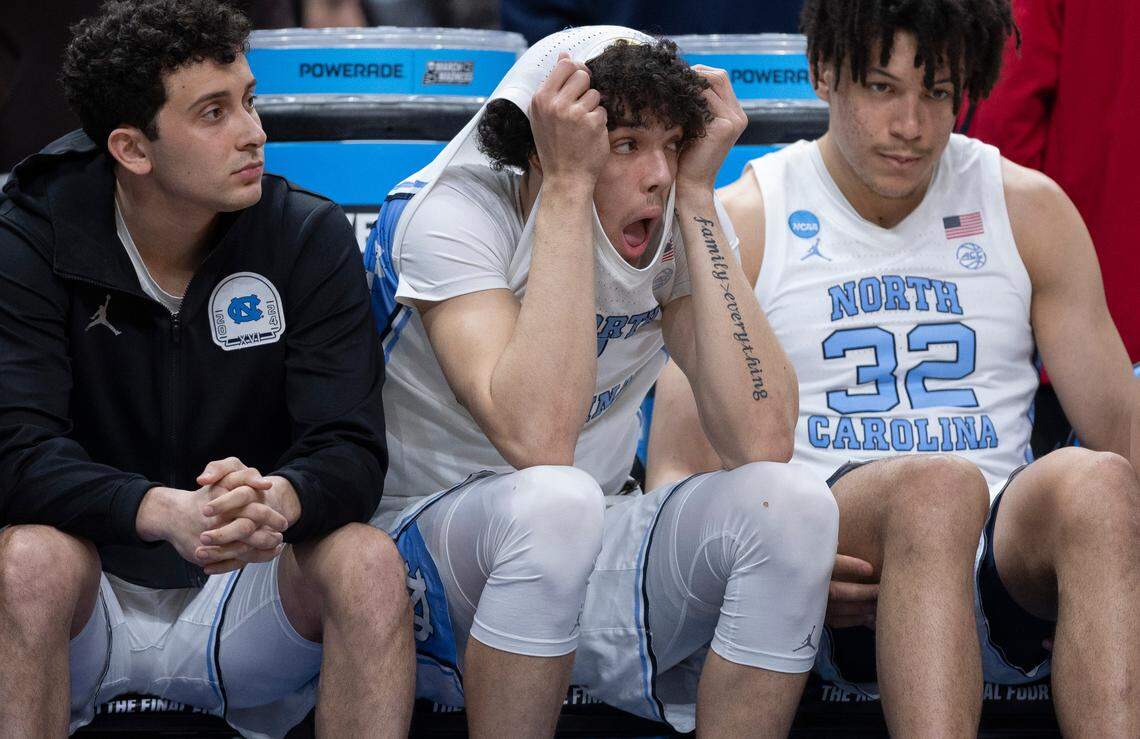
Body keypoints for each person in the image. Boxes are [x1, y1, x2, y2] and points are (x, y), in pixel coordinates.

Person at [646, 0, 1140, 736]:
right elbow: (675, 473)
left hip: (999, 560)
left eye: (937, 92)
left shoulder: (1029, 209)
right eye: (882, 88)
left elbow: (1123, 429)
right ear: (823, 72)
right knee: (936, 489)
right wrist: (775, 559)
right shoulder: (748, 217)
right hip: (831, 568)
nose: (911, 125)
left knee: (1101, 482)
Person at [364, 26, 838, 737]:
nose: (658, 174)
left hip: (588, 525)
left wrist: (700, 197)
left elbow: (763, 438)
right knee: (554, 500)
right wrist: (566, 185)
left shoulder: (675, 208)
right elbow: (540, 441)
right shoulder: (451, 214)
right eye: (626, 144)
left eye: (671, 144)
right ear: (544, 144)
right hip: (418, 550)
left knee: (796, 504)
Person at [0, 1, 414, 736]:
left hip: (246, 592)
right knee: (27, 560)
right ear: (132, 149)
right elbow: (16, 452)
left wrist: (277, 498)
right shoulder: (29, 234)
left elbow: (351, 448)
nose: (254, 133)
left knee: (367, 561)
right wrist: (158, 509)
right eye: (214, 113)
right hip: (89, 594)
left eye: (249, 101)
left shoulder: (306, 233)